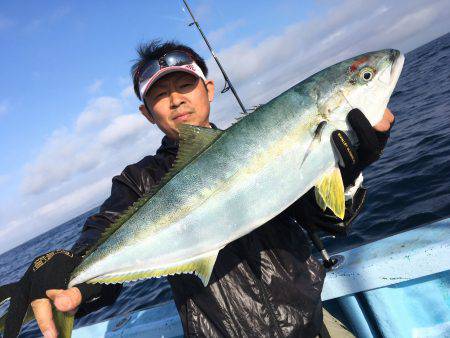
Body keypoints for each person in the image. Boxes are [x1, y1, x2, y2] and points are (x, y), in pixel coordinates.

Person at [3, 40, 395, 338]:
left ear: (208, 89)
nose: (175, 99)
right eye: (159, 94)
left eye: (185, 85)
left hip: (309, 324)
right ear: (146, 113)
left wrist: (348, 168)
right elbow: (101, 240)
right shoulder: (139, 180)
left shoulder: (269, 140)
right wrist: (72, 272)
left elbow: (327, 221)